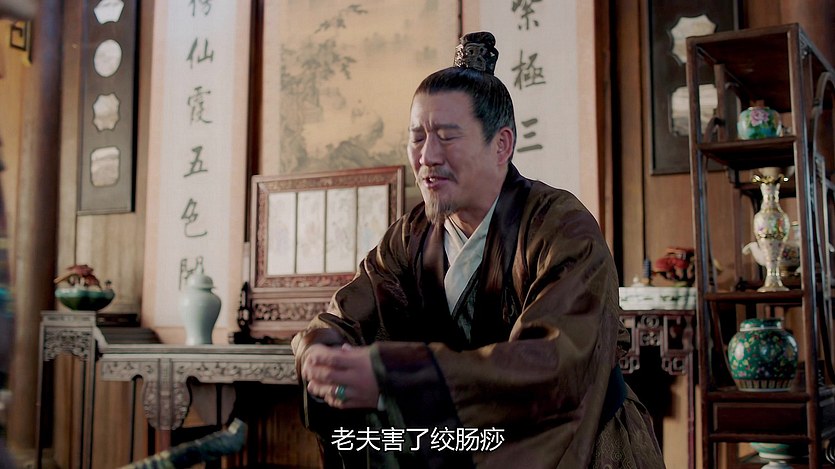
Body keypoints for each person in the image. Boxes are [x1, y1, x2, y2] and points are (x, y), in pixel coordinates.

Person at [292, 31, 665, 468]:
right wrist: (321, 351)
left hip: (582, 447)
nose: (427, 156)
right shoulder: (410, 236)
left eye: (447, 136)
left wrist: (399, 377)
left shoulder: (561, 227)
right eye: (417, 137)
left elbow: (553, 364)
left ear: (501, 144)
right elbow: (346, 316)